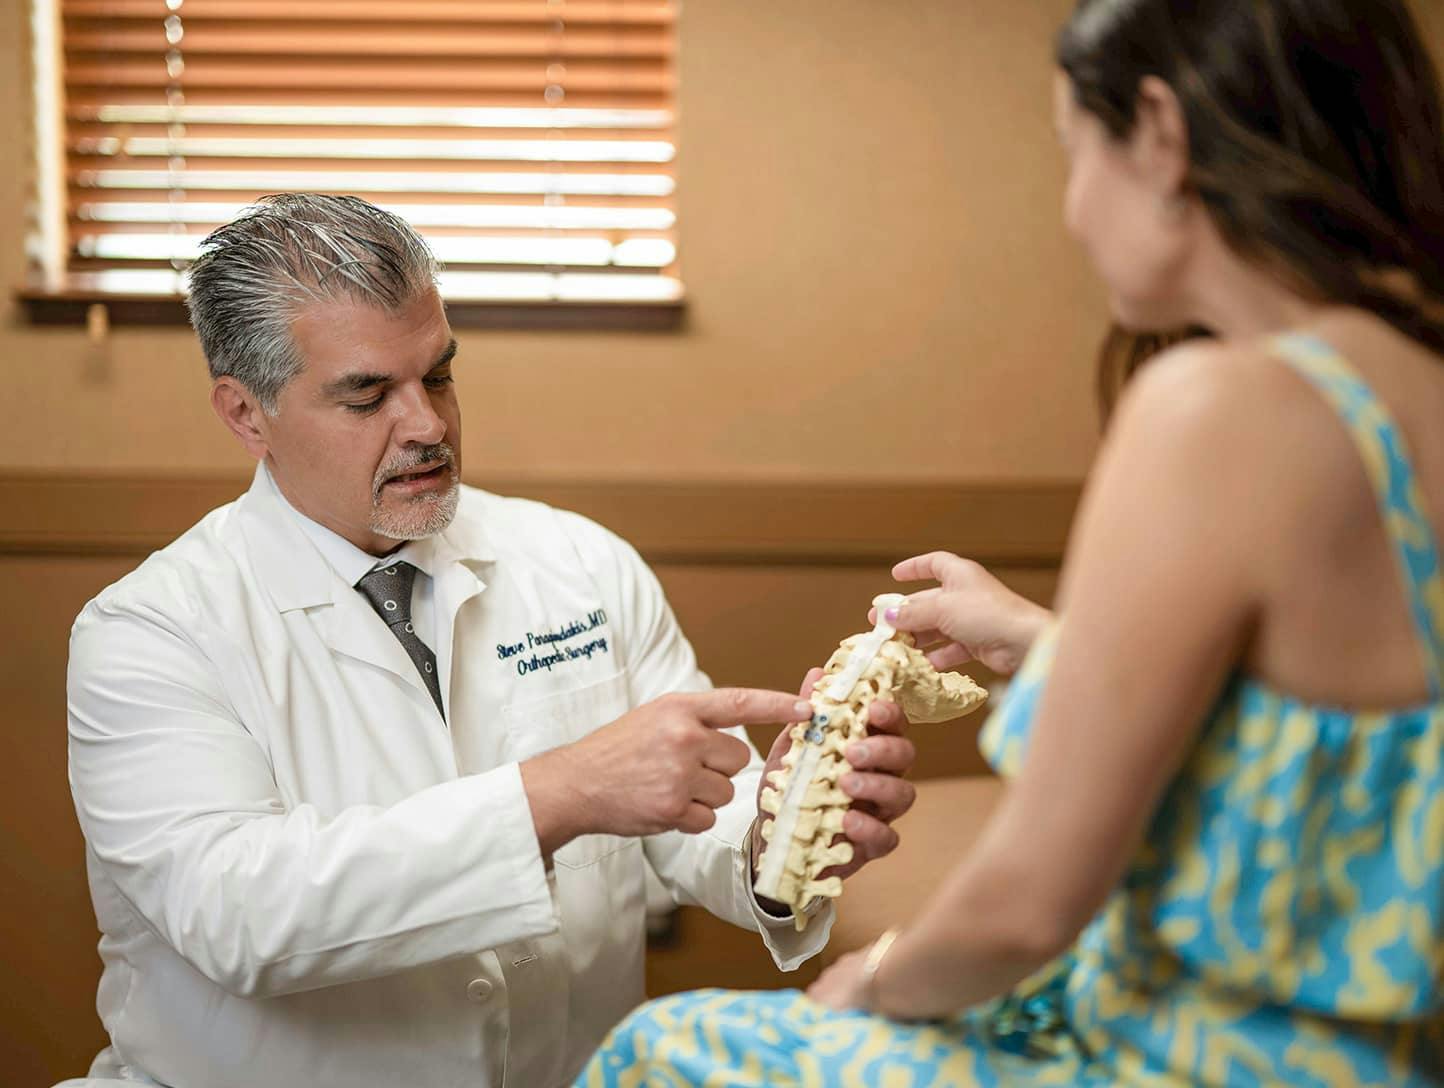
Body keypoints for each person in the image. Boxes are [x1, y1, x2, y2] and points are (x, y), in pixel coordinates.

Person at [578, 1, 1444, 1084]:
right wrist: (1044, 637)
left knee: (663, 1045)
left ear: (1162, 137)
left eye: (1072, 151)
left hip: (1213, 1056)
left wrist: (877, 974)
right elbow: (1312, 699)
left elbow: (1027, 899)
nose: (1074, 213)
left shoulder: (1217, 408)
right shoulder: (1412, 382)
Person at [61, 194, 921, 1088]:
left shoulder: (580, 562)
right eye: (367, 397)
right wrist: (565, 791)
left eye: (437, 377)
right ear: (246, 414)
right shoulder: (149, 632)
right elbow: (243, 915)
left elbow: (707, 819)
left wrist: (785, 834)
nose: (428, 426)